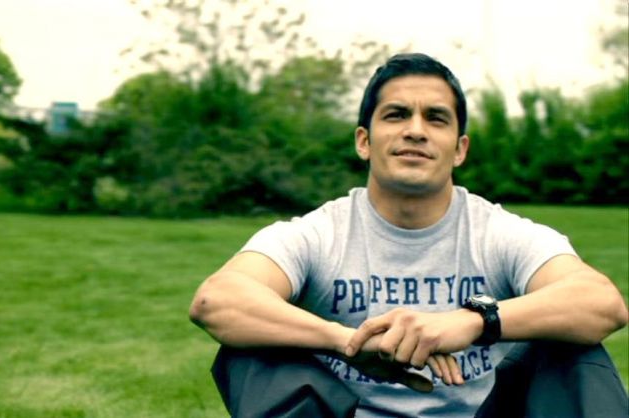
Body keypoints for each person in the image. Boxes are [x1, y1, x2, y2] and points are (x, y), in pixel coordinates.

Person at [189, 52, 629, 417]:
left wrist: (473, 322)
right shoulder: (319, 233)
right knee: (253, 347)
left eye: (436, 118)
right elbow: (217, 300)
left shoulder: (498, 233)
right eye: (396, 114)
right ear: (364, 141)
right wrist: (345, 341)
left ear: (459, 149)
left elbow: (601, 302)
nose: (415, 130)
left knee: (572, 347)